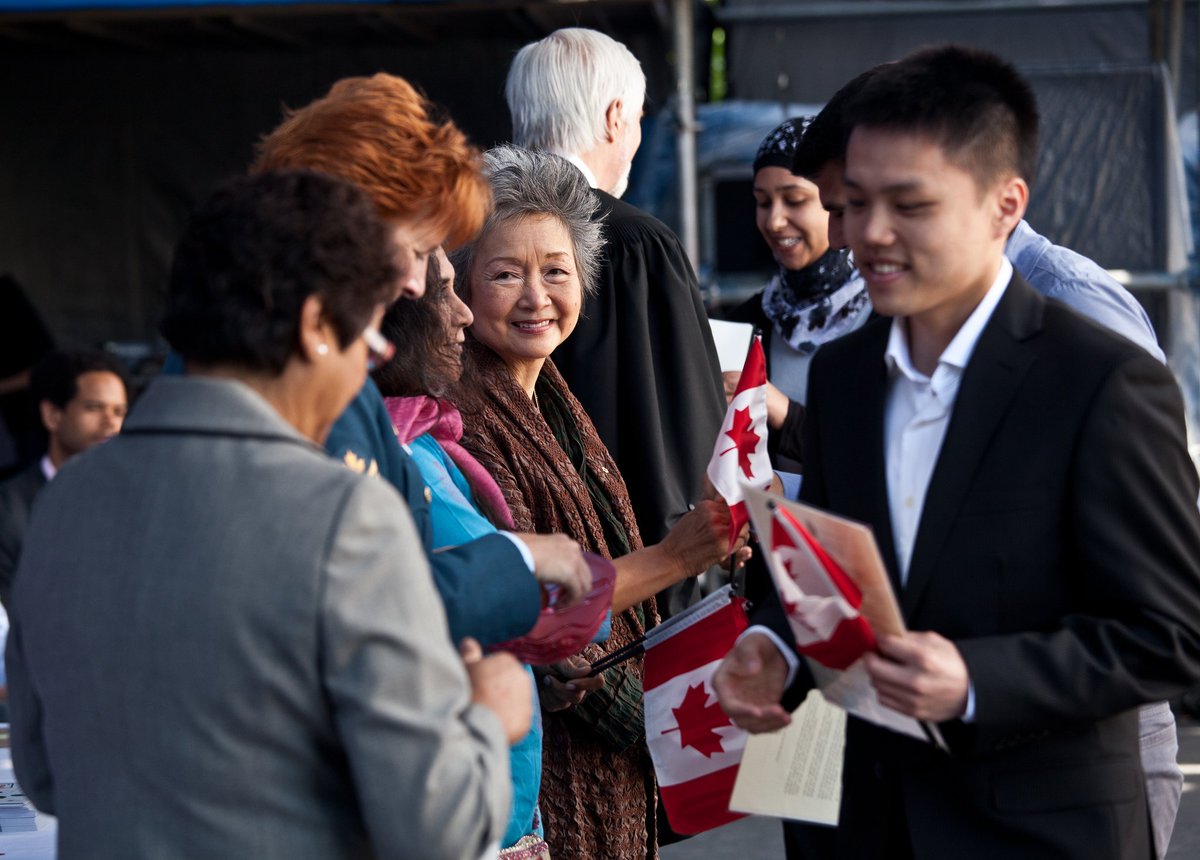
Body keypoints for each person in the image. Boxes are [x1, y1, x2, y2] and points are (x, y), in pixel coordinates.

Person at [714, 45, 1200, 860]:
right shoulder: (844, 376)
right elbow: (831, 570)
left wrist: (977, 681)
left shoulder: (1100, 380)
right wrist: (772, 647)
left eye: (909, 205)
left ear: (1005, 205)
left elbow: (1170, 633)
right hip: (861, 818)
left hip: (1039, 828)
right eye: (854, 203)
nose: (869, 235)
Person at [7, 171, 528, 860]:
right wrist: (488, 715)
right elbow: (438, 829)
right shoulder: (345, 515)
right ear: (315, 327)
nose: (367, 368)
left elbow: (45, 773)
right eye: (369, 339)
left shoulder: (65, 499)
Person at [452, 145, 744, 860]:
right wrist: (675, 558)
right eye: (506, 274)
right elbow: (525, 597)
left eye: (556, 271)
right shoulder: (459, 416)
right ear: (459, 285)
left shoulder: (550, 392)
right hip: (537, 771)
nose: (536, 297)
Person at [251, 72, 591, 648]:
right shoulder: (308, 389)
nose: (417, 284)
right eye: (413, 248)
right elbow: (373, 604)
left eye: (557, 270)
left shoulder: (346, 383)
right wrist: (521, 559)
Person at [373, 248, 604, 859]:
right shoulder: (401, 451)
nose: (463, 315)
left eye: (558, 271)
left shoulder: (430, 437)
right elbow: (550, 598)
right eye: (444, 291)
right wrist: (677, 559)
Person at [506, 29, 727, 616]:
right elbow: (689, 444)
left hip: (507, 555)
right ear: (615, 117)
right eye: (638, 120)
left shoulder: (465, 234)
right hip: (635, 585)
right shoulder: (635, 242)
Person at [722, 117, 869, 473]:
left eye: (795, 200)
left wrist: (778, 408)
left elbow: (873, 455)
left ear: (838, 202)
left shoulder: (887, 316)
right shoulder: (750, 320)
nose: (774, 221)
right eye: (762, 202)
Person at [0, 348, 128, 608]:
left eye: (119, 412)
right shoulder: (8, 507)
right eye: (94, 408)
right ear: (52, 415)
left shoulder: (136, 501)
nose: (111, 423)